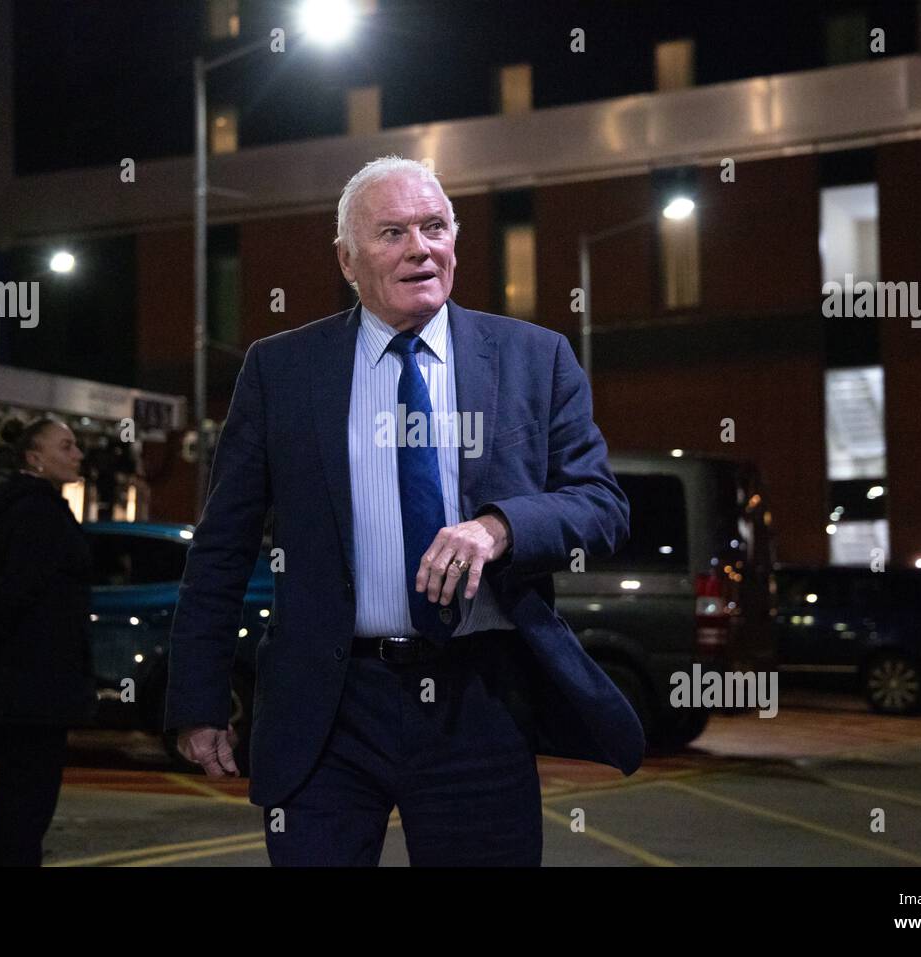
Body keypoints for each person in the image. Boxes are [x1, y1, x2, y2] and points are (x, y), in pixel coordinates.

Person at [166, 155, 643, 867]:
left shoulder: (534, 358)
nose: (420, 247)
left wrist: (501, 526)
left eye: (434, 227)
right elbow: (221, 547)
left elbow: (602, 504)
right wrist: (198, 697)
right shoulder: (281, 372)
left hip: (478, 698)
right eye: (392, 232)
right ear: (348, 260)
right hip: (329, 707)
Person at [0, 414, 95, 866]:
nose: (77, 454)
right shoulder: (38, 512)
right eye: (66, 446)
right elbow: (13, 592)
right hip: (36, 680)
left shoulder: (23, 509)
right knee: (28, 798)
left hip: (25, 679)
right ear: (35, 458)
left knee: (19, 793)